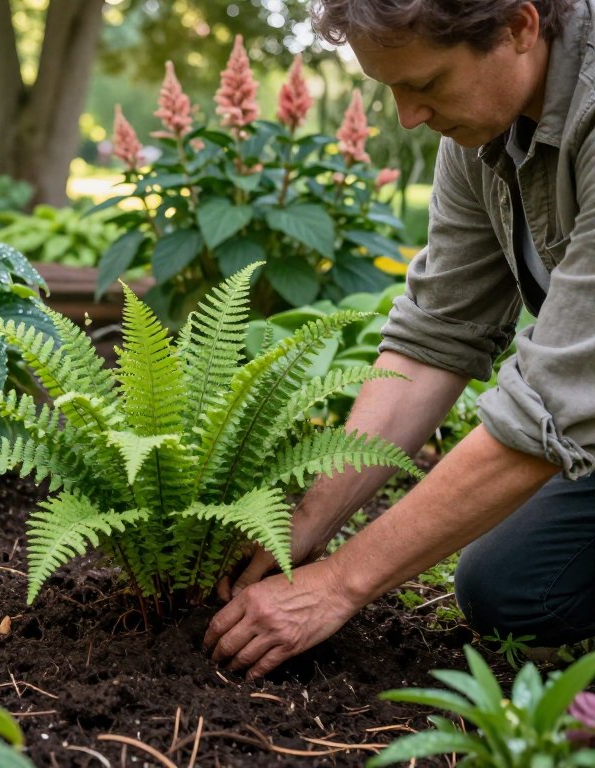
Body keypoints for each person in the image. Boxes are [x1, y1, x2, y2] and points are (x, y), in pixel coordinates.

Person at [203, 0, 595, 679]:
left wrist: (339, 583)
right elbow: (437, 333)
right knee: (510, 588)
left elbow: (558, 403)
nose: (407, 116)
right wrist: (307, 524)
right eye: (391, 89)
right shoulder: (481, 136)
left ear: (521, 27)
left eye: (427, 84)